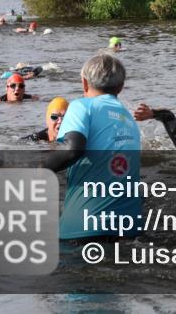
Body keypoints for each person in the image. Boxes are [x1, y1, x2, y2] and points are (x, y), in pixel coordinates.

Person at [45, 54, 143, 241]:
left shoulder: (82, 106)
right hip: (130, 228)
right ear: (121, 87)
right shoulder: (129, 120)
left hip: (84, 228)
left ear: (84, 83)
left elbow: (72, 148)